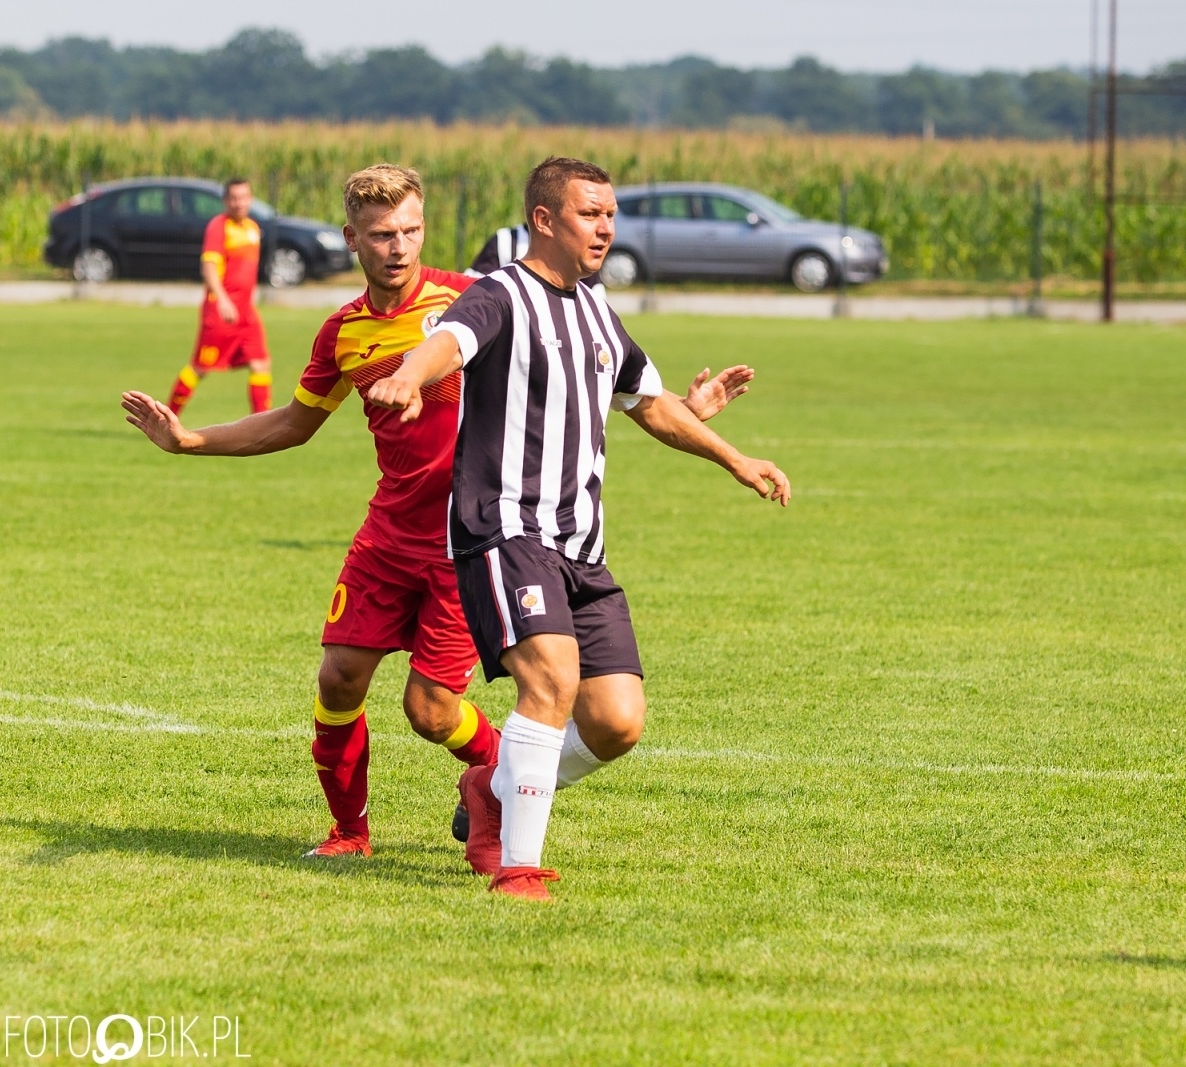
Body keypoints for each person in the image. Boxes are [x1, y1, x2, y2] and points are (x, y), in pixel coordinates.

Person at [123, 163, 754, 860]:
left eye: (411, 230)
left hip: (473, 540)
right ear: (352, 239)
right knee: (337, 676)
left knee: (429, 711)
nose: (399, 246)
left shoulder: (471, 298)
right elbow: (292, 425)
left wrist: (691, 419)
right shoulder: (343, 333)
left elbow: (564, 365)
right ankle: (348, 833)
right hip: (389, 534)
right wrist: (189, 440)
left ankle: (497, 785)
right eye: (383, 234)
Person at [366, 157, 791, 900]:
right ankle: (520, 869)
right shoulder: (500, 295)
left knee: (617, 721)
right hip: (505, 529)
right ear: (544, 219)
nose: (606, 228)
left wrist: (732, 455)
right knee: (552, 680)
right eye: (590, 214)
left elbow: (648, 400)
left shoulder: (597, 310)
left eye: (610, 214)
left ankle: (491, 787)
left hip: (581, 547)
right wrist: (411, 372)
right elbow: (449, 344)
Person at [167, 177, 272, 416]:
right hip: (220, 312)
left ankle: (262, 423)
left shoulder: (253, 229)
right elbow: (209, 268)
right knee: (200, 367)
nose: (239, 203)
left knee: (261, 364)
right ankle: (167, 416)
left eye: (243, 197)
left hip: (246, 313)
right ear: (225, 201)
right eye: (233, 198)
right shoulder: (218, 226)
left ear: (251, 199)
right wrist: (222, 298)